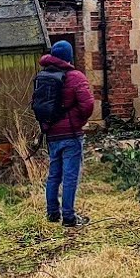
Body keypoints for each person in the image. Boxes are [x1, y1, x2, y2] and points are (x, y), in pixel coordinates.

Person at [33, 40, 95, 227]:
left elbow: (37, 104)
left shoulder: (42, 76)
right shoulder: (76, 77)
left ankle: (52, 213)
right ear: (69, 56)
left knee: (54, 174)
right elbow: (88, 105)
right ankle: (69, 217)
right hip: (71, 135)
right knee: (70, 176)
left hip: (51, 134)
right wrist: (77, 121)